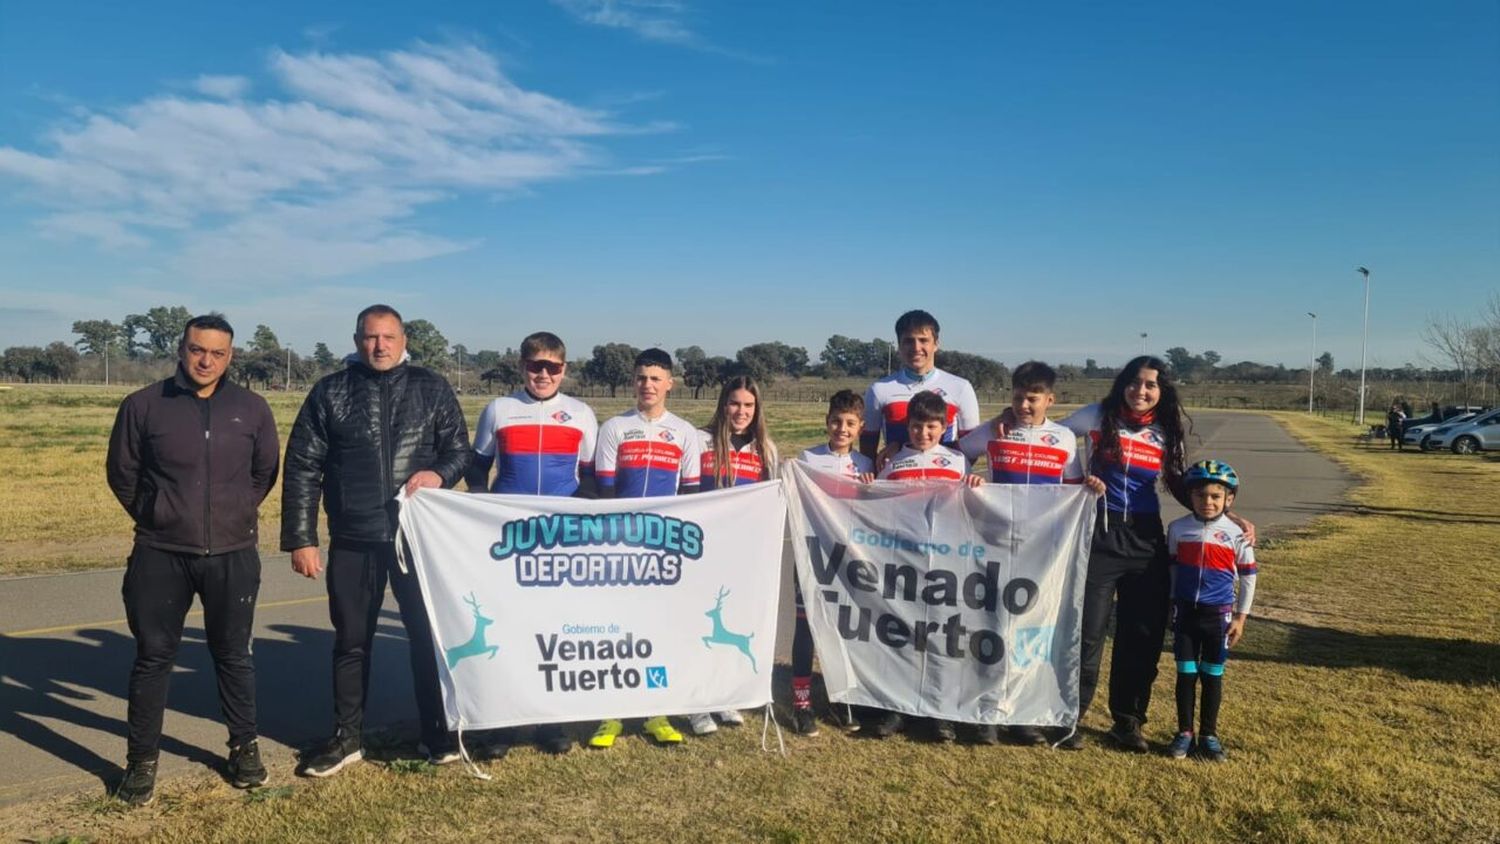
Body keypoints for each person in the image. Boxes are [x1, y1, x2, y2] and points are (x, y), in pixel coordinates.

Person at [282, 304, 473, 777]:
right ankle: (347, 739)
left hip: (417, 540)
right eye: (370, 337)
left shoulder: (431, 387)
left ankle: (437, 733)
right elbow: (303, 466)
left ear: (404, 340)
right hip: (354, 537)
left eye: (388, 337)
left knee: (427, 639)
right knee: (351, 641)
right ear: (356, 340)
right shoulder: (331, 392)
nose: (380, 346)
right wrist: (302, 538)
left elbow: (459, 450)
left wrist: (439, 472)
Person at [105, 314, 280, 806]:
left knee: (233, 656)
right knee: (153, 659)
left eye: (217, 353)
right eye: (197, 350)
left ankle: (244, 749)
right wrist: (158, 514)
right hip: (160, 554)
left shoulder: (252, 408)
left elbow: (264, 472)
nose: (206, 361)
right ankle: (141, 763)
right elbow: (123, 472)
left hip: (232, 554)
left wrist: (236, 512)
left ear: (231, 356)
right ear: (181, 350)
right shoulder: (143, 405)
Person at [1051, 356, 1253, 752]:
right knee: (1087, 634)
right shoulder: (1096, 416)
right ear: (1122, 384)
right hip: (1098, 534)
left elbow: (1179, 484)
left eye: (1150, 385)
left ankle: (1127, 722)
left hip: (1145, 541)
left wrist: (1228, 515)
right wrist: (1075, 476)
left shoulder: (1165, 431)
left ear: (1162, 392)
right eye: (1133, 382)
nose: (1140, 391)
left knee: (1140, 636)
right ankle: (1068, 718)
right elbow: (1048, 434)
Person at [955, 360, 1105, 745]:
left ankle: (1023, 714)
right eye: (1018, 397)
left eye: (1032, 398)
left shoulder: (1064, 439)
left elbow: (1071, 489)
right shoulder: (994, 430)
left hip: (1043, 549)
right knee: (991, 624)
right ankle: (986, 712)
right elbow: (954, 454)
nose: (1024, 405)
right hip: (995, 543)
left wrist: (1089, 485)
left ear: (1049, 400)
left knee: (1031, 628)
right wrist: (969, 477)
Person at [465, 331, 597, 754]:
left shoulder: (581, 414)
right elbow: (476, 469)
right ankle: (504, 722)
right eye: (535, 366)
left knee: (556, 629)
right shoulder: (499, 409)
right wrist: (483, 517)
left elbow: (592, 479)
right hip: (511, 539)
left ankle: (550, 720)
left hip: (561, 540)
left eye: (552, 367)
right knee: (509, 627)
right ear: (521, 367)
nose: (543, 375)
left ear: (564, 370)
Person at [589, 348, 702, 748]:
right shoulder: (615, 427)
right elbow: (603, 490)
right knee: (616, 629)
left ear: (670, 383)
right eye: (641, 378)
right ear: (633, 382)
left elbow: (691, 495)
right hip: (620, 544)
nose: (648, 385)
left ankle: (657, 711)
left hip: (664, 546)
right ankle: (610, 715)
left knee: (659, 628)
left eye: (656, 378)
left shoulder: (686, 432)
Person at [866, 390, 982, 744]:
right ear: (907, 426)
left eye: (932, 426)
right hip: (903, 559)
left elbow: (972, 504)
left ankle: (938, 712)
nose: (924, 433)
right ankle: (897, 707)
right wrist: (870, 488)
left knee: (942, 636)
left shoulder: (957, 461)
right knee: (900, 632)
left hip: (946, 562)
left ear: (944, 427)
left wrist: (978, 485)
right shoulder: (892, 461)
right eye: (917, 426)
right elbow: (878, 507)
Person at [685, 375, 780, 737]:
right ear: (723, 404)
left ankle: (723, 695)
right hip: (701, 550)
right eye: (734, 403)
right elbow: (685, 492)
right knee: (699, 626)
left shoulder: (765, 449)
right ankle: (696, 703)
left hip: (742, 554)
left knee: (733, 626)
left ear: (757, 409)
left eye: (748, 405)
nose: (741, 412)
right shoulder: (701, 440)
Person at [793, 390, 876, 736]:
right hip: (812, 555)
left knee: (846, 627)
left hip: (849, 560)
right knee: (805, 625)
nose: (842, 429)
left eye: (850, 424)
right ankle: (801, 703)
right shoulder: (806, 459)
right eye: (836, 422)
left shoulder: (868, 467)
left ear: (861, 428)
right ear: (826, 422)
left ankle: (842, 699)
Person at [1165, 460, 1257, 762]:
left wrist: (1241, 618)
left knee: (1212, 675)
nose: (1208, 502)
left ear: (1228, 500)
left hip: (1218, 616)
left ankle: (1209, 734)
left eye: (1216, 497)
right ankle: (1185, 733)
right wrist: (1171, 603)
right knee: (1186, 675)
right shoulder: (1178, 529)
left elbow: (1248, 578)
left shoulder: (1237, 534)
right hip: (1186, 615)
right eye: (1201, 496)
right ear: (1190, 497)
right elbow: (1173, 571)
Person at [860, 310, 980, 464]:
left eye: (923, 340)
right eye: (909, 341)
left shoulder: (961, 387)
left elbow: (971, 450)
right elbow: (867, 451)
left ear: (936, 344)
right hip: (897, 483)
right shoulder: (879, 389)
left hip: (944, 483)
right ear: (899, 345)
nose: (916, 347)